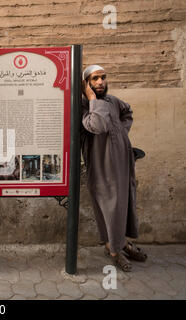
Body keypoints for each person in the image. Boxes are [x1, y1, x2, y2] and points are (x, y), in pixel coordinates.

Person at [81, 65, 147, 272]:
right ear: (87, 84)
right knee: (110, 207)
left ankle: (118, 243)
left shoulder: (113, 101)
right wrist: (92, 100)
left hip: (123, 161)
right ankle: (115, 250)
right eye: (95, 79)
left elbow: (127, 111)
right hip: (102, 164)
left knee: (124, 204)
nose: (100, 82)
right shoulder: (85, 106)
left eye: (103, 77)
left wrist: (122, 133)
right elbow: (98, 126)